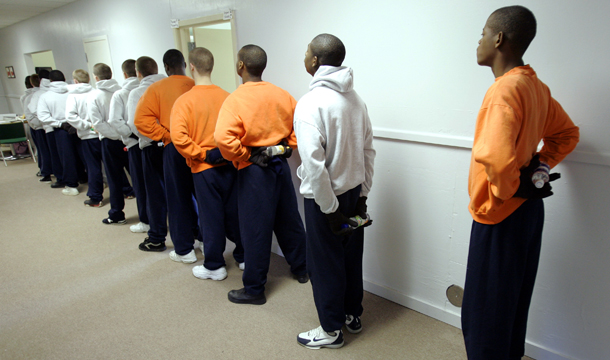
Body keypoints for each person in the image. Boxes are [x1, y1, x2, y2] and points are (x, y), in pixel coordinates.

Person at [461, 6, 580, 360]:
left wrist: (514, 186)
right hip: (528, 212)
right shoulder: (535, 86)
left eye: (483, 33)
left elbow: (495, 158)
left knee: (484, 316)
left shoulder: (504, 91)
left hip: (500, 216)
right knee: (510, 308)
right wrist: (536, 171)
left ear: (499, 38)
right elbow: (567, 134)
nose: (479, 40)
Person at [293, 34, 376, 350]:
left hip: (325, 200)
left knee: (325, 264)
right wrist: (364, 195)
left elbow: (314, 166)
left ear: (315, 61)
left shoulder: (310, 103)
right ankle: (352, 315)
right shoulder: (356, 100)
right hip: (354, 193)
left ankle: (330, 330)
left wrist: (329, 210)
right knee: (350, 259)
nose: (304, 56)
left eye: (306, 52)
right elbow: (369, 151)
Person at [215, 44, 308, 305]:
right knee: (288, 219)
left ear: (241, 66)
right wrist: (288, 145)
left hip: (254, 168)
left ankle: (254, 289)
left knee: (255, 229)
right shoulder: (282, 95)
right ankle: (302, 268)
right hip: (279, 165)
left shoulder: (235, 100)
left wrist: (245, 155)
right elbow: (298, 125)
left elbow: (223, 140)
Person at [170, 47, 244, 281]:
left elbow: (179, 138)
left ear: (191, 66)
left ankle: (214, 265)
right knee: (235, 213)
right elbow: (241, 130)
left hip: (204, 169)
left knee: (211, 217)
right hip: (230, 166)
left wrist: (201, 154)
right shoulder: (227, 96)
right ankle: (244, 257)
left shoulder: (183, 101)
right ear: (212, 66)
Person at [134, 50, 198, 255]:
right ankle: (206, 241)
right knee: (202, 197)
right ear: (185, 65)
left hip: (174, 148)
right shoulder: (196, 86)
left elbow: (140, 121)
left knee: (177, 199)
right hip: (199, 146)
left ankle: (184, 251)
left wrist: (165, 136)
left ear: (166, 67)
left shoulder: (156, 88)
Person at [128, 57, 168, 247]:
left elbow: (134, 124)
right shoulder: (171, 87)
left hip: (151, 147)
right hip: (174, 144)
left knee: (155, 194)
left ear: (138, 73)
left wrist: (152, 138)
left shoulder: (137, 93)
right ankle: (196, 234)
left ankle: (157, 237)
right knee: (180, 192)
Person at [88, 63, 134, 224]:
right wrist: (123, 134)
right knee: (136, 176)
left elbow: (98, 124)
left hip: (110, 142)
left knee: (114, 179)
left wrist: (116, 135)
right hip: (129, 138)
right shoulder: (123, 91)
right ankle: (149, 214)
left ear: (96, 77)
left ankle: (116, 214)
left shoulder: (95, 96)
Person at [107, 59, 149, 232]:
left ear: (125, 74)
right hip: (152, 142)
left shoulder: (120, 94)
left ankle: (146, 221)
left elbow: (114, 120)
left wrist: (130, 133)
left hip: (134, 144)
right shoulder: (149, 89)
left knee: (140, 185)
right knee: (153, 183)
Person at [37, 70, 82, 195]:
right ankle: (85, 177)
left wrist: (60, 124)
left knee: (67, 157)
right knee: (82, 155)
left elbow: (43, 116)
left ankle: (72, 185)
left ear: (50, 81)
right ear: (64, 78)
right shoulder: (73, 91)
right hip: (78, 126)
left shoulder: (45, 96)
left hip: (60, 129)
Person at [65, 69, 104, 207]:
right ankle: (127, 190)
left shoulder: (73, 96)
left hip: (87, 136)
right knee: (112, 166)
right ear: (89, 79)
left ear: (75, 81)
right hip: (102, 134)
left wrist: (87, 126)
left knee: (93, 167)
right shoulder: (96, 92)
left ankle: (95, 197)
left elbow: (70, 117)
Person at [29, 71, 57, 184]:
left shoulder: (39, 95)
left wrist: (43, 120)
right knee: (60, 153)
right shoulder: (61, 91)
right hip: (61, 127)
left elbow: (33, 110)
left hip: (46, 127)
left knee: (48, 151)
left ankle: (49, 174)